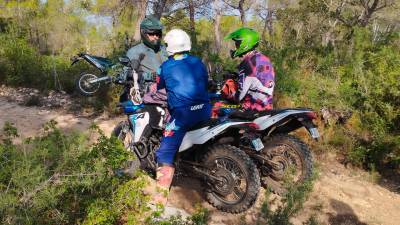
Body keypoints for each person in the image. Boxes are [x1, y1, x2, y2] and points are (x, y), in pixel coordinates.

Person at [153, 29, 211, 206]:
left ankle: (159, 199)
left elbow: (158, 86)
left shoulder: (165, 66)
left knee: (165, 151)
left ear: (170, 46)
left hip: (183, 115)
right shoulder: (198, 62)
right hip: (205, 110)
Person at [223, 27, 275, 111]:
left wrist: (227, 89)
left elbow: (239, 97)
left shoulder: (248, 63)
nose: (236, 47)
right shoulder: (262, 58)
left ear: (245, 43)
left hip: (251, 109)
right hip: (266, 106)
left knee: (220, 107)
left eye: (237, 44)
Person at [126, 16, 168, 88]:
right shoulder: (135, 51)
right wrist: (149, 76)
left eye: (158, 34)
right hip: (147, 91)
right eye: (151, 34)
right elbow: (127, 74)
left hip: (169, 88)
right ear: (143, 33)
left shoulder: (165, 49)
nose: (155, 36)